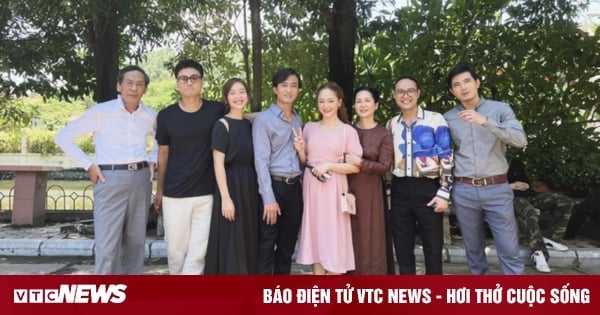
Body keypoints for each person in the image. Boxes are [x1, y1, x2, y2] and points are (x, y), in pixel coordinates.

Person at [55, 65, 156, 274]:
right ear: (119, 86)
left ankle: (130, 295)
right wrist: (88, 165)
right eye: (129, 83)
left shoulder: (150, 116)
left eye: (139, 84)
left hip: (141, 178)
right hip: (109, 177)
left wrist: (153, 160)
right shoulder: (102, 111)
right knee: (107, 243)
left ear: (145, 89)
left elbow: (161, 139)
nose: (134, 88)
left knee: (136, 242)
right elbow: (63, 136)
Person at [443, 63, 527, 275]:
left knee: (509, 249)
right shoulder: (448, 118)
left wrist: (486, 122)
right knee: (474, 252)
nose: (463, 87)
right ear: (452, 91)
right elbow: (443, 155)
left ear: (477, 82)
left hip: (497, 188)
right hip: (464, 189)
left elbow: (520, 139)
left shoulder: (500, 109)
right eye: (457, 85)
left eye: (467, 81)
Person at [154, 59, 225, 275]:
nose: (189, 82)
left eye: (194, 78)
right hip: (174, 193)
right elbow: (163, 154)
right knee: (176, 253)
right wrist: (159, 190)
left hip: (206, 192)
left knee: (198, 252)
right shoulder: (166, 116)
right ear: (177, 84)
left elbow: (240, 118)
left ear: (201, 82)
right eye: (184, 79)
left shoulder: (217, 110)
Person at [386, 76, 453, 275]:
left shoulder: (435, 119)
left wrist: (444, 192)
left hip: (428, 188)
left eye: (410, 91)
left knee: (433, 248)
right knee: (402, 248)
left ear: (418, 93)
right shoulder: (391, 124)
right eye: (400, 91)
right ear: (394, 95)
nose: (405, 95)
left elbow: (446, 156)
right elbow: (389, 163)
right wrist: (389, 193)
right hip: (400, 190)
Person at [295, 81, 362, 275]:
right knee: (316, 234)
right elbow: (306, 161)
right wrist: (300, 150)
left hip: (335, 188)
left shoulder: (347, 131)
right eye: (321, 101)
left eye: (330, 100)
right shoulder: (309, 128)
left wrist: (330, 165)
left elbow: (355, 167)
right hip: (312, 188)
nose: (326, 105)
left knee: (334, 236)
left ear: (339, 102)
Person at [252, 68, 304, 274]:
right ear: (275, 89)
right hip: (273, 187)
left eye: (293, 85)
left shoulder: (298, 120)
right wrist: (268, 198)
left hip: (294, 189)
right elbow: (260, 160)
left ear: (298, 90)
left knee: (287, 247)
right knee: (266, 244)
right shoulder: (264, 120)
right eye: (284, 85)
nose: (289, 90)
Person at [205, 78, 259, 274]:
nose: (238, 96)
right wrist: (226, 198)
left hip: (250, 186)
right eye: (233, 93)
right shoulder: (222, 125)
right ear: (226, 98)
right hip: (230, 185)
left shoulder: (250, 124)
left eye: (242, 91)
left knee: (248, 238)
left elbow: (262, 116)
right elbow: (218, 163)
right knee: (232, 240)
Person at [346, 86, 394, 275]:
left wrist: (361, 163)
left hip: (371, 191)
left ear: (376, 105)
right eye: (359, 101)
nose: (363, 105)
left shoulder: (383, 134)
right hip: (346, 188)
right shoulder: (347, 130)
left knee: (370, 237)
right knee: (349, 236)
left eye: (367, 101)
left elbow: (384, 166)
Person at [508, 158, 571, 273]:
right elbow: (489, 188)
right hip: (510, 199)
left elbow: (525, 181)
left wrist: (526, 185)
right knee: (530, 211)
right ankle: (538, 252)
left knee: (565, 201)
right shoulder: (490, 164)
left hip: (530, 196)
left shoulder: (516, 162)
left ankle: (551, 237)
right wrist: (511, 186)